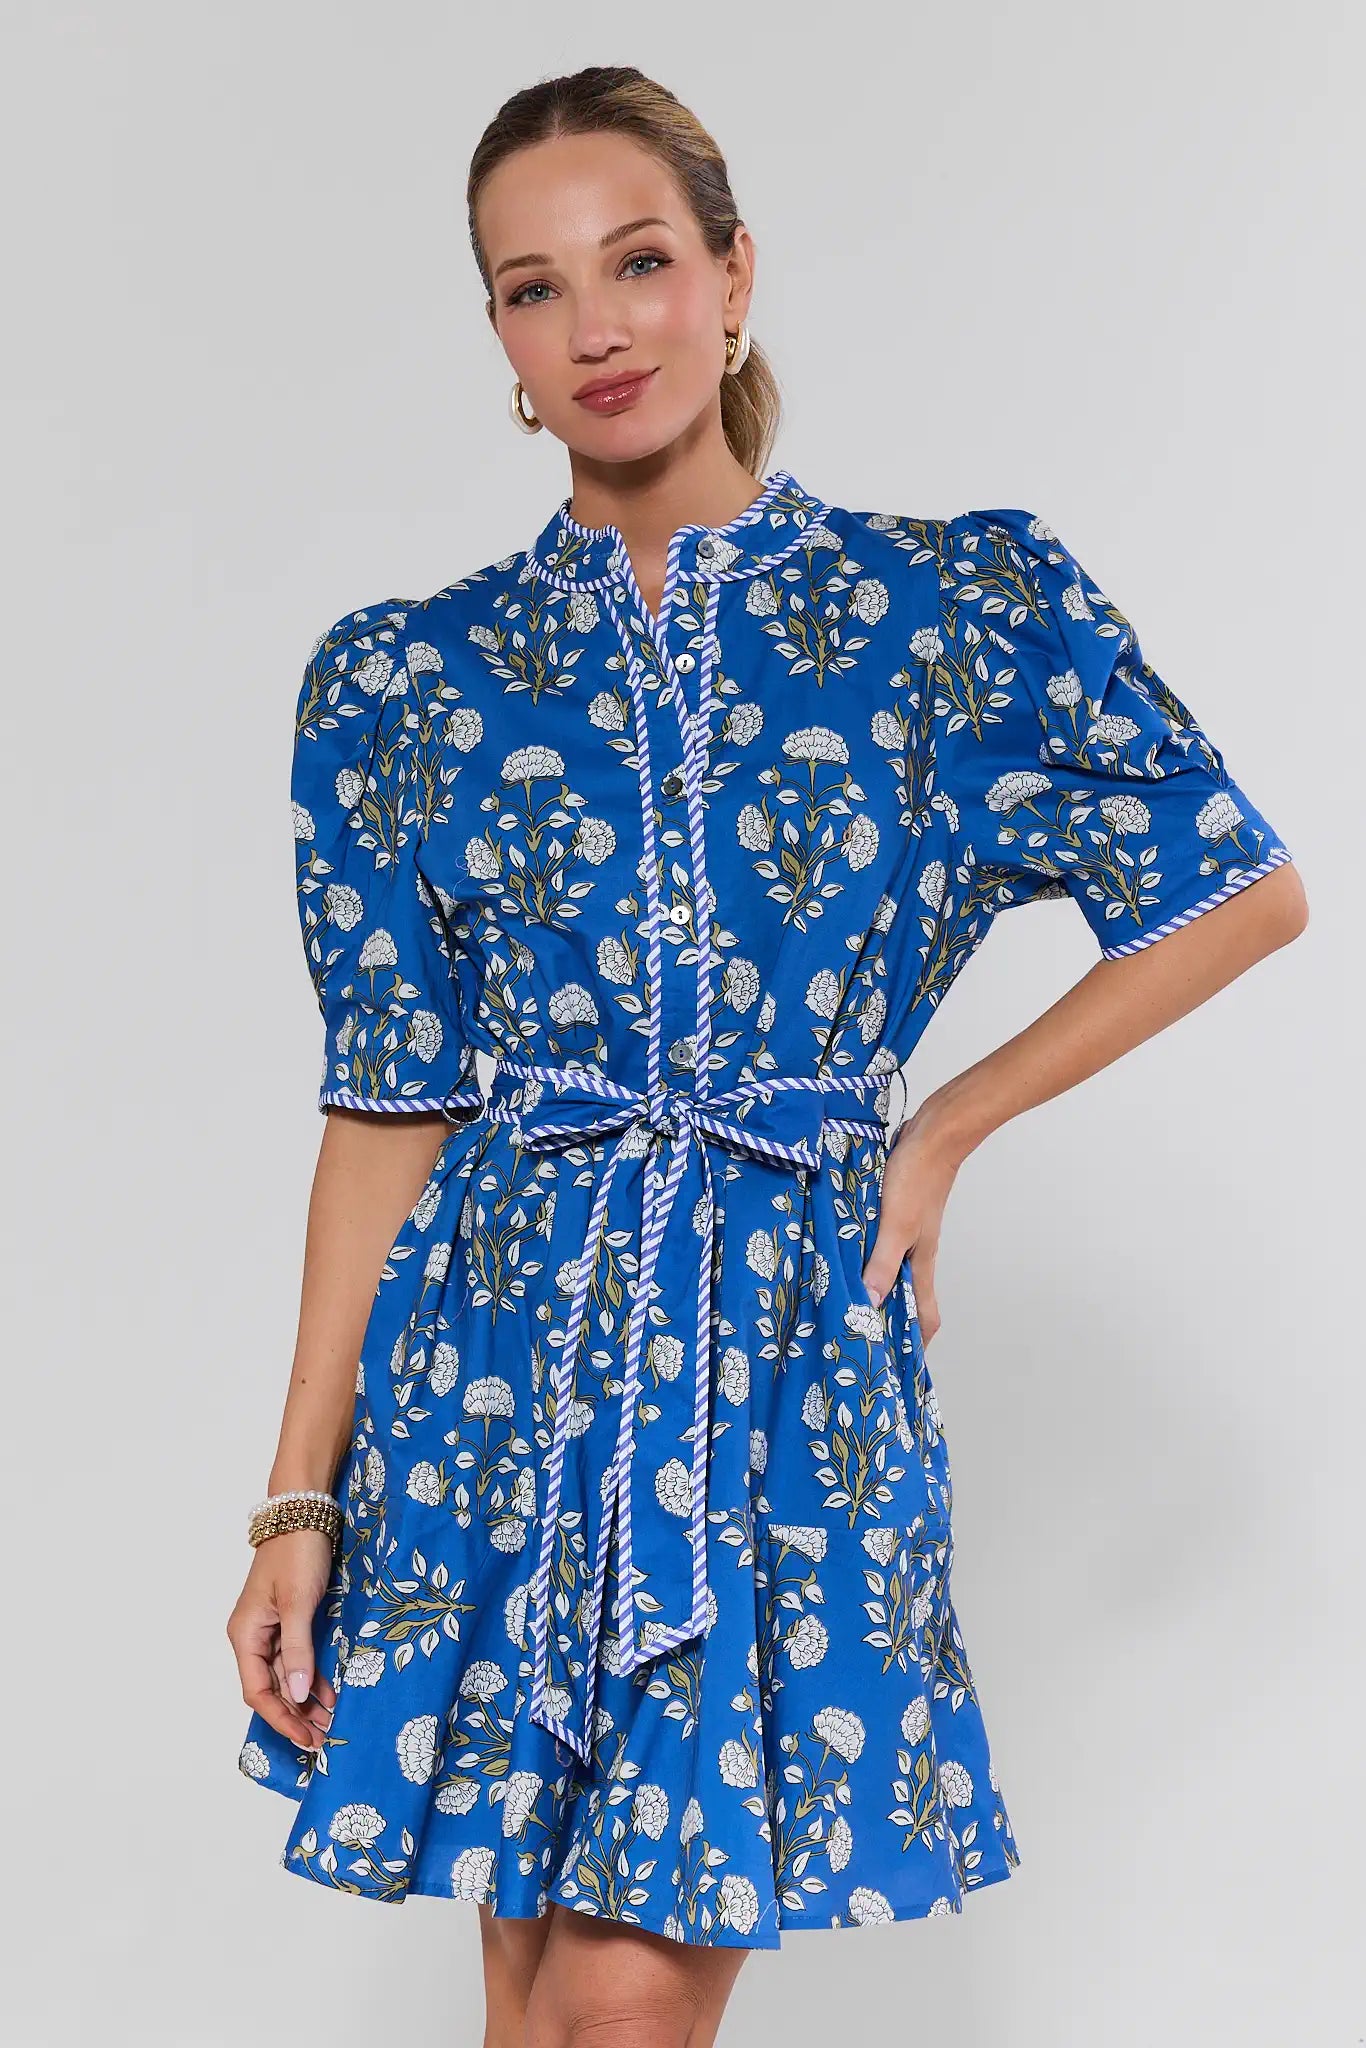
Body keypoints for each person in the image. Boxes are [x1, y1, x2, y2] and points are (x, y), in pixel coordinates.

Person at [226, 60, 1308, 2048]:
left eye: (637, 263)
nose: (596, 326)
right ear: (499, 343)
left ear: (732, 277)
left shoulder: (947, 614)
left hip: (778, 1353)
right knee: (534, 2003)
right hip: (485, 1371)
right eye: (533, 290)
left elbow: (1232, 886)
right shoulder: (400, 681)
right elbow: (383, 1106)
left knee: (617, 2008)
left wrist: (948, 1122)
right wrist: (296, 1503)